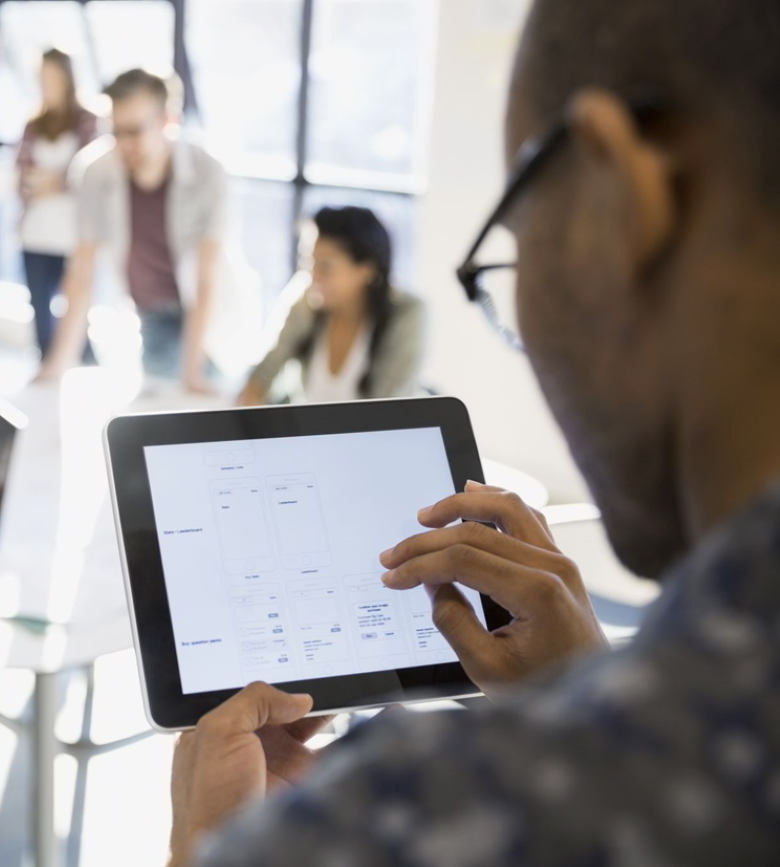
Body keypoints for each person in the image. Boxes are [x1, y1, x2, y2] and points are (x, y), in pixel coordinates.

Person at [165, 0, 780, 865]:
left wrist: (218, 850)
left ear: (618, 206)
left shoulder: (411, 819)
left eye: (518, 249)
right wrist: (582, 694)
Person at [37, 68, 229, 391]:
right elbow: (82, 272)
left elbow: (206, 279)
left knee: (211, 399)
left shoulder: (208, 172)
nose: (124, 144)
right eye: (116, 131)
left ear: (168, 121)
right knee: (161, 397)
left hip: (211, 313)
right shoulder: (94, 172)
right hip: (150, 312)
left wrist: (193, 371)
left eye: (135, 131)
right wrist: (56, 365)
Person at [238, 206, 425, 406]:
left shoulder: (406, 315)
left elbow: (389, 410)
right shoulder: (307, 298)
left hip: (373, 437)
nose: (313, 276)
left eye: (325, 267)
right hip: (304, 434)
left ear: (366, 270)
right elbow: (261, 376)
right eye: (308, 263)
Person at [16, 48, 100, 357]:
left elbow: (85, 175)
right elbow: (22, 177)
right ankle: (47, 381)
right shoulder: (33, 124)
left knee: (77, 317)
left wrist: (52, 181)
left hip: (74, 235)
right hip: (35, 233)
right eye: (41, 78)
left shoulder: (88, 120)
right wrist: (55, 181)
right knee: (41, 316)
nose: (46, 84)